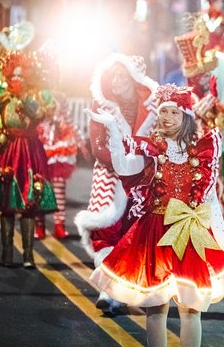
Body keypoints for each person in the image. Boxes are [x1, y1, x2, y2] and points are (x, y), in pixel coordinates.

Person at [88, 85, 224, 347]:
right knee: (156, 308)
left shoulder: (202, 150)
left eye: (173, 113)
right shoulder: (152, 150)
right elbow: (123, 166)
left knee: (191, 310)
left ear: (186, 117)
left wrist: (221, 238)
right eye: (163, 112)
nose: (166, 117)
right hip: (155, 233)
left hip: (190, 234)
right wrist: (112, 129)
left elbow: (210, 198)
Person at [75, 54, 158, 312]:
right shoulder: (102, 106)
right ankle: (107, 291)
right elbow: (97, 145)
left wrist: (141, 163)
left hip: (141, 180)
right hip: (110, 176)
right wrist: (121, 163)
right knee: (106, 232)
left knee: (134, 234)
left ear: (134, 78)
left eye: (121, 75)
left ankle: (125, 291)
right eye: (113, 75)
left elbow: (157, 140)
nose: (115, 81)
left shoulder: (152, 109)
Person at [0, 50, 58, 268]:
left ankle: (28, 255)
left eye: (21, 77)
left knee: (28, 204)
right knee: (6, 204)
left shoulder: (36, 97)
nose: (16, 80)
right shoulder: (3, 96)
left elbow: (41, 115)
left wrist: (25, 97)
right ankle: (7, 252)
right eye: (13, 76)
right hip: (7, 151)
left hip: (29, 152)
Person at [35, 93, 79, 239]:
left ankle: (59, 224)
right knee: (38, 186)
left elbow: (70, 122)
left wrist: (81, 143)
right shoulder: (35, 95)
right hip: (39, 143)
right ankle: (39, 224)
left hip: (58, 144)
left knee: (59, 186)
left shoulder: (61, 97)